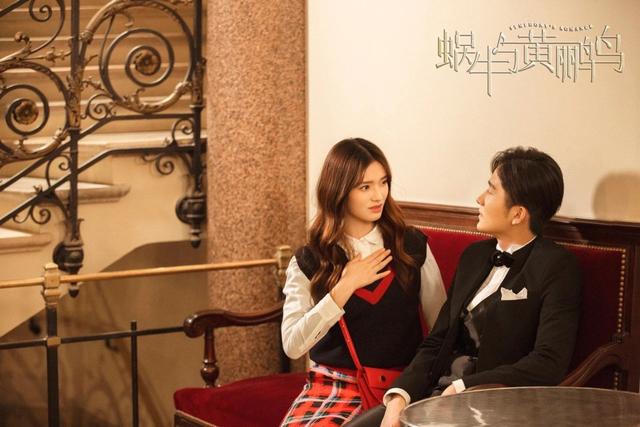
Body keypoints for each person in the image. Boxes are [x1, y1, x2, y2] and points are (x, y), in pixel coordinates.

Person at [349, 146, 582, 427]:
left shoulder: (557, 267)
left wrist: (464, 387)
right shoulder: (474, 256)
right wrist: (400, 395)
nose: (479, 199)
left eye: (491, 191)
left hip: (495, 409)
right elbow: (437, 340)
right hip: (435, 397)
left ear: (518, 214)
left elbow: (548, 363)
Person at [279, 138, 446, 426]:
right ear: (339, 191)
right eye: (365, 187)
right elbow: (293, 346)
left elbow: (441, 328)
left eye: (383, 182)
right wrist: (343, 288)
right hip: (332, 387)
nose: (378, 195)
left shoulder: (410, 247)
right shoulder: (310, 260)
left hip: (402, 388)